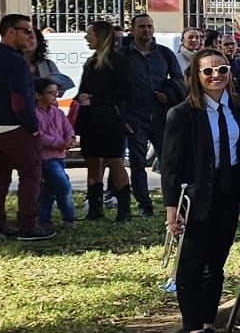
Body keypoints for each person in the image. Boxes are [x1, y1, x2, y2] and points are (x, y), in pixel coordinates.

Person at [164, 49, 240, 333]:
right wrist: (171, 208)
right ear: (195, 76)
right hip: (195, 198)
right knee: (191, 266)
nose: (215, 75)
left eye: (221, 69)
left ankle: (208, 327)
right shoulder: (182, 114)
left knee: (215, 266)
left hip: (227, 194)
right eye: (207, 71)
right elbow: (171, 165)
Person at [0, 14, 49, 241]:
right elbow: (19, 99)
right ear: (10, 32)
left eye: (31, 31)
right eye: (26, 31)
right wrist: (32, 126)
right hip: (12, 127)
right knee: (30, 174)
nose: (30, 36)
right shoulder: (15, 61)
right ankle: (28, 225)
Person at [121, 12, 183, 216]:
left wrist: (168, 93)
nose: (146, 30)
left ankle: (173, 202)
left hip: (161, 117)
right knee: (138, 163)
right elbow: (116, 87)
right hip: (134, 117)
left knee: (170, 162)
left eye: (149, 26)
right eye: (141, 27)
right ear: (133, 29)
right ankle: (144, 205)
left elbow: (179, 80)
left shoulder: (164, 53)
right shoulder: (123, 55)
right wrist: (123, 117)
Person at [74, 21, 130, 221]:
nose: (86, 37)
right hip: (90, 120)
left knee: (115, 162)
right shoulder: (91, 61)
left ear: (100, 36)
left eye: (89, 34)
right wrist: (79, 98)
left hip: (110, 119)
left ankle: (124, 209)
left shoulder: (118, 61)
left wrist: (95, 99)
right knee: (92, 162)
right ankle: (95, 208)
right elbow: (83, 88)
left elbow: (125, 91)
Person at [33, 78, 77, 231]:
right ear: (38, 95)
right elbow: (39, 135)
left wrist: (70, 139)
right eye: (51, 93)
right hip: (45, 157)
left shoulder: (57, 113)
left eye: (56, 93)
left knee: (49, 188)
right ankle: (68, 216)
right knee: (63, 185)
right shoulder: (34, 114)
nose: (55, 96)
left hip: (59, 156)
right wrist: (58, 142)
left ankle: (44, 218)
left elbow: (68, 128)